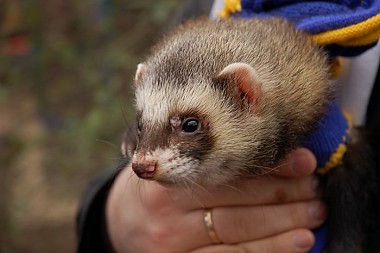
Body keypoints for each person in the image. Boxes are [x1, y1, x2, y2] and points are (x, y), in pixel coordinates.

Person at [77, 1, 380, 252]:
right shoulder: (212, 8)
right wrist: (113, 219)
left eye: (191, 126)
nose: (144, 163)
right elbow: (106, 195)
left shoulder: (333, 138)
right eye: (142, 126)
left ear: (245, 96)